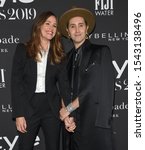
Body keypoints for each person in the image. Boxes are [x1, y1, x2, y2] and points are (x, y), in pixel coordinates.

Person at [11, 11, 74, 150]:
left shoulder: (58, 53)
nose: (51, 28)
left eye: (55, 25)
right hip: (28, 107)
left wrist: (68, 112)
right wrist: (19, 114)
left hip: (51, 108)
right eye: (47, 23)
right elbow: (16, 82)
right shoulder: (23, 49)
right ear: (39, 25)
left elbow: (64, 85)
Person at [59, 7, 115, 150]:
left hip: (95, 125)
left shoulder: (101, 52)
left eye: (81, 25)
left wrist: (68, 109)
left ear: (87, 28)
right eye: (72, 26)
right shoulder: (65, 59)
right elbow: (63, 88)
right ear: (68, 32)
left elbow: (92, 87)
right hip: (72, 127)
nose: (77, 30)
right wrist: (67, 117)